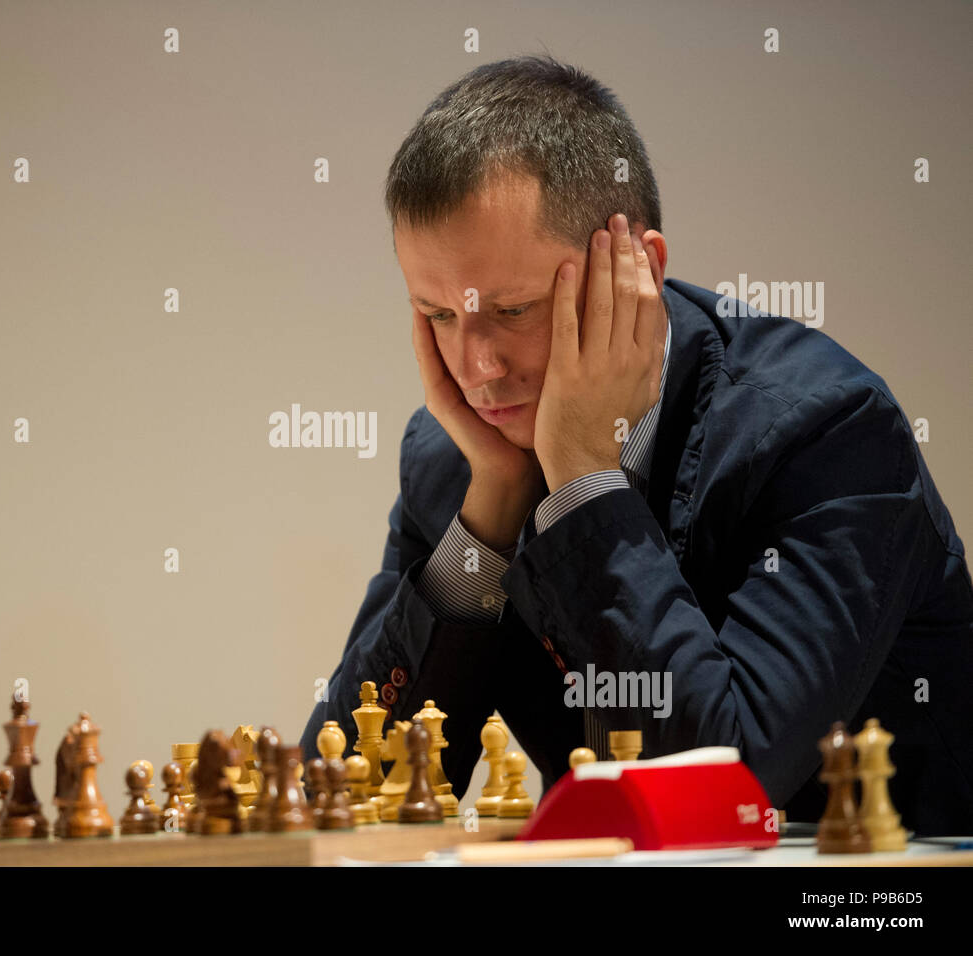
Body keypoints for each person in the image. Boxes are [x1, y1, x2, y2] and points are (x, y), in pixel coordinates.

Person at [299, 55, 973, 834]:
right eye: (440, 315)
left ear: (638, 272)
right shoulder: (455, 456)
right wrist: (486, 518)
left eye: (513, 310)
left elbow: (733, 786)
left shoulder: (826, 432)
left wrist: (584, 480)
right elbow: (352, 792)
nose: (478, 368)